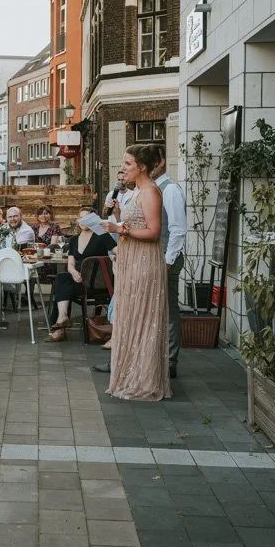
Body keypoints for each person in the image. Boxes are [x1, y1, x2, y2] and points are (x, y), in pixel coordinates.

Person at [94, 144, 171, 402]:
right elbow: (132, 223)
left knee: (142, 316)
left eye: (128, 163)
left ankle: (144, 379)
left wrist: (119, 229)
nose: (123, 168)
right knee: (128, 315)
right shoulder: (136, 191)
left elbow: (154, 232)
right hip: (130, 259)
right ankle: (129, 374)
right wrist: (117, 214)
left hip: (144, 261)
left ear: (143, 167)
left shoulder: (150, 192)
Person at [46, 207, 116, 342]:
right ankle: (62, 317)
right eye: (81, 218)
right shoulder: (73, 240)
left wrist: (114, 257)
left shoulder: (102, 236)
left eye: (87, 218)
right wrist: (73, 272)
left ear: (94, 220)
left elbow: (117, 250)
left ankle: (60, 329)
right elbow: (70, 264)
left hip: (96, 283)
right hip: (78, 280)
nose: (83, 221)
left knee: (61, 286)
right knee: (62, 279)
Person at [150, 143, 187, 379]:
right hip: (155, 258)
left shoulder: (170, 189)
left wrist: (169, 260)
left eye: (149, 163)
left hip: (166, 258)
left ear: (161, 161)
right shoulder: (151, 189)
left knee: (169, 309)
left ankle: (171, 360)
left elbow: (177, 228)